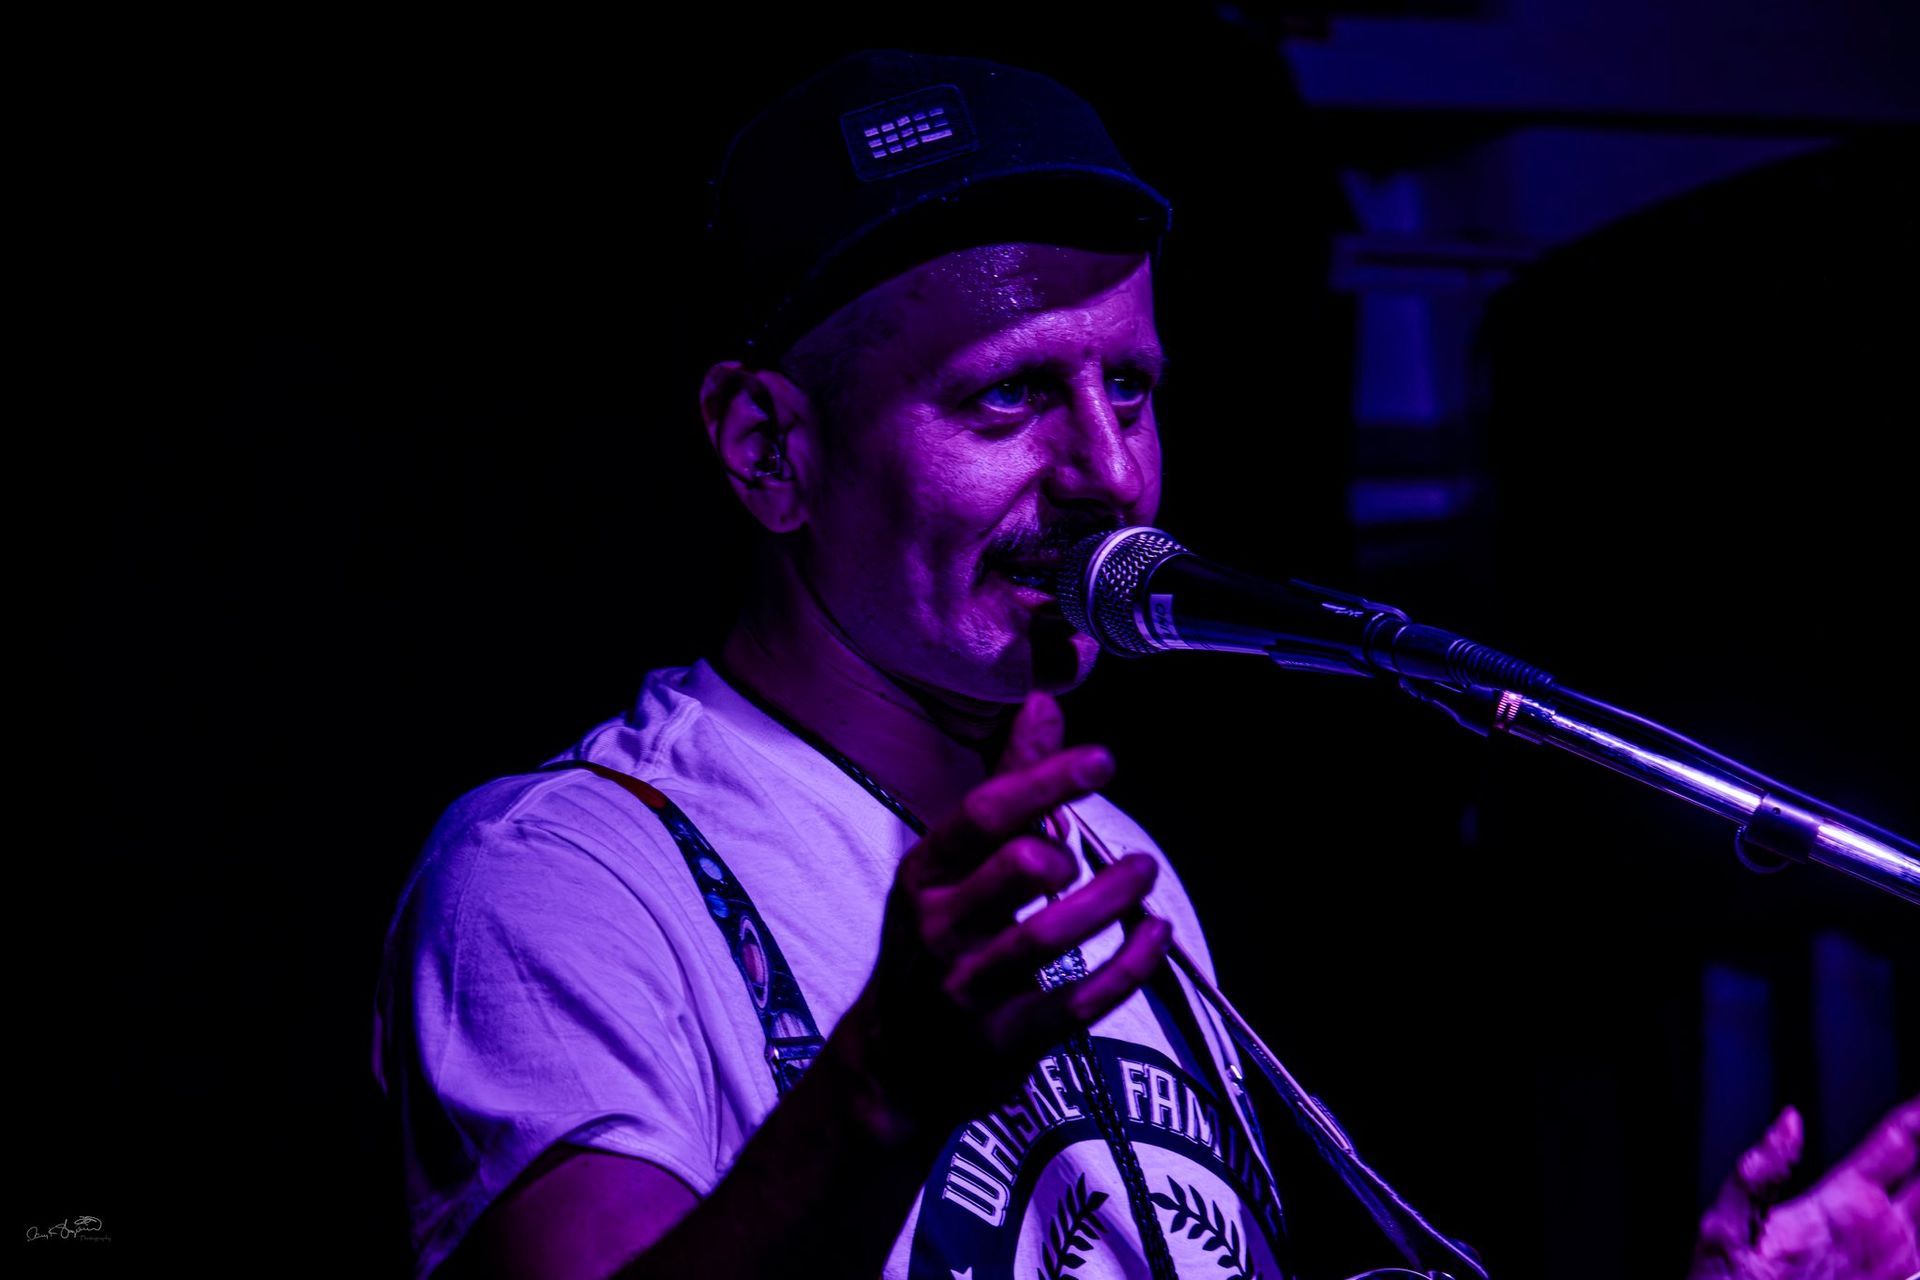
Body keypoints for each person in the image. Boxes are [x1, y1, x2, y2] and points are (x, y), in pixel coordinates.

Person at [373, 49, 1919, 1280]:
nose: (1113, 474)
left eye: (1133, 388)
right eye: (1009, 401)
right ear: (770, 448)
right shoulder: (569, 872)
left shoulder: (1123, 871)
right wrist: (875, 1100)